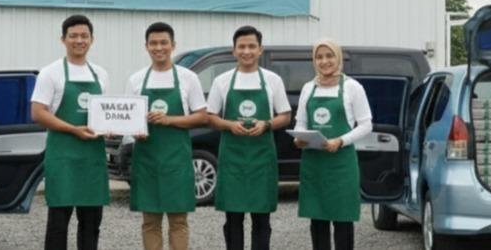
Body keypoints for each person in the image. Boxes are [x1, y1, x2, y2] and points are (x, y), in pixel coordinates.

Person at [206, 25, 292, 250]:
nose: (246, 51)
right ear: (233, 51)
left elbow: (285, 115)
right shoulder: (222, 81)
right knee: (233, 218)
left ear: (260, 49)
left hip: (262, 158)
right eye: (241, 46)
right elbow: (211, 117)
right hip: (232, 158)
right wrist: (230, 125)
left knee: (261, 217)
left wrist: (267, 124)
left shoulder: (273, 80)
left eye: (251, 46)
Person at [127, 22, 208, 250]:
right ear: (146, 46)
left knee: (178, 221)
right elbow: (129, 119)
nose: (158, 47)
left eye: (164, 42)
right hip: (147, 158)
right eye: (153, 43)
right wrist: (136, 132)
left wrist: (168, 120)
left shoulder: (188, 78)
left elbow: (201, 116)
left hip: (176, 159)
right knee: (149, 222)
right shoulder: (136, 80)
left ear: (173, 45)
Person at [31, 15, 110, 250]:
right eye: (73, 36)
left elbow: (105, 113)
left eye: (84, 36)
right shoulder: (50, 73)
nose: (79, 40)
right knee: (58, 223)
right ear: (63, 39)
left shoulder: (100, 74)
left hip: (92, 159)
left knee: (91, 223)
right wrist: (73, 129)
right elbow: (38, 112)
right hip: (63, 157)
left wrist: (114, 129)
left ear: (92, 39)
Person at [293, 38, 372, 250]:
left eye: (329, 56)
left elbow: (366, 125)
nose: (324, 61)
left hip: (341, 164)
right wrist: (299, 139)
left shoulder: (352, 87)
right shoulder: (308, 88)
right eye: (319, 57)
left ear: (338, 58)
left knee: (342, 219)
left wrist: (341, 140)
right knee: (317, 220)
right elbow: (300, 123)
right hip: (314, 164)